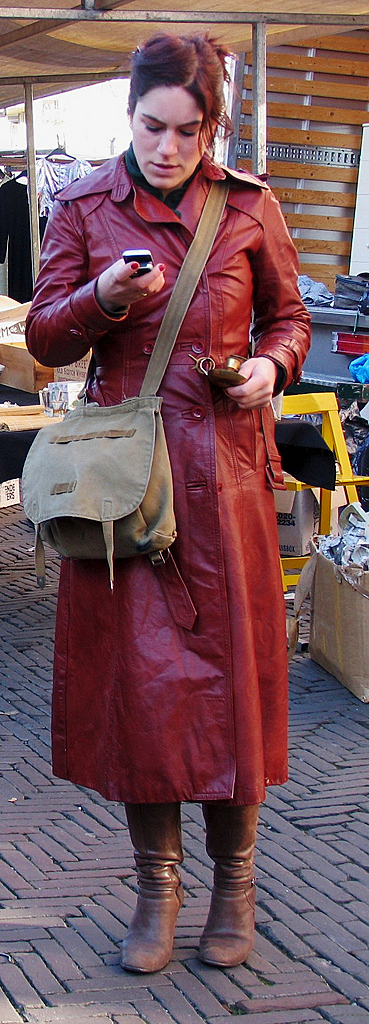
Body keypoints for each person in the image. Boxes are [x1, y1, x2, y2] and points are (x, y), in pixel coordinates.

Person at [25, 32, 311, 974]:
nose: (167, 148)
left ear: (211, 126)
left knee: (230, 698)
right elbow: (46, 338)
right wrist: (103, 296)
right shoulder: (83, 205)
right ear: (130, 116)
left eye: (189, 131)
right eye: (152, 127)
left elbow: (289, 314)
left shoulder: (248, 207)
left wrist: (269, 368)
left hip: (224, 482)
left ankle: (236, 885)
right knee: (140, 699)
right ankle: (158, 887)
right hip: (127, 493)